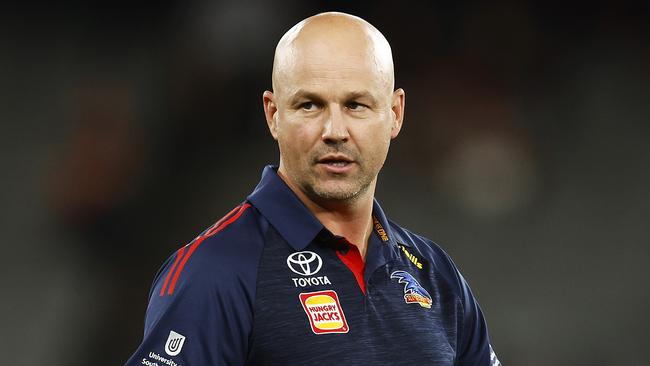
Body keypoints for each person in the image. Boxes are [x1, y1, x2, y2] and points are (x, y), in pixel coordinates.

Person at [126, 11, 500, 366]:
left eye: (356, 105)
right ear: (274, 115)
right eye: (309, 105)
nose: (335, 131)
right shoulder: (215, 271)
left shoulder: (437, 275)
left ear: (395, 114)